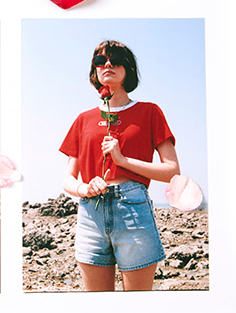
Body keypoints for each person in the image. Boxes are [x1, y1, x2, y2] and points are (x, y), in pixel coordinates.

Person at [59, 34, 180, 292]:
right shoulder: (83, 119)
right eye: (100, 60)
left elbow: (172, 172)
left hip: (133, 209)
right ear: (94, 70)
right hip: (90, 213)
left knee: (137, 305)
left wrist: (123, 160)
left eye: (115, 59)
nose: (107, 64)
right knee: (97, 305)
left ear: (129, 69)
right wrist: (84, 188)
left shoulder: (150, 111)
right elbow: (68, 179)